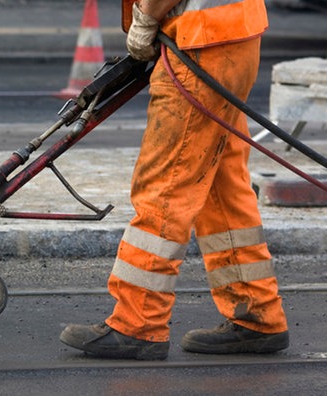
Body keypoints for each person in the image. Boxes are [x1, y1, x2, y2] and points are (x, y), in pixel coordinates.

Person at [59, 0, 290, 360]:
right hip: (232, 38)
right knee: (220, 186)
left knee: (166, 185)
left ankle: (138, 323)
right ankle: (256, 311)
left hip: (200, 44)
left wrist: (147, 15)